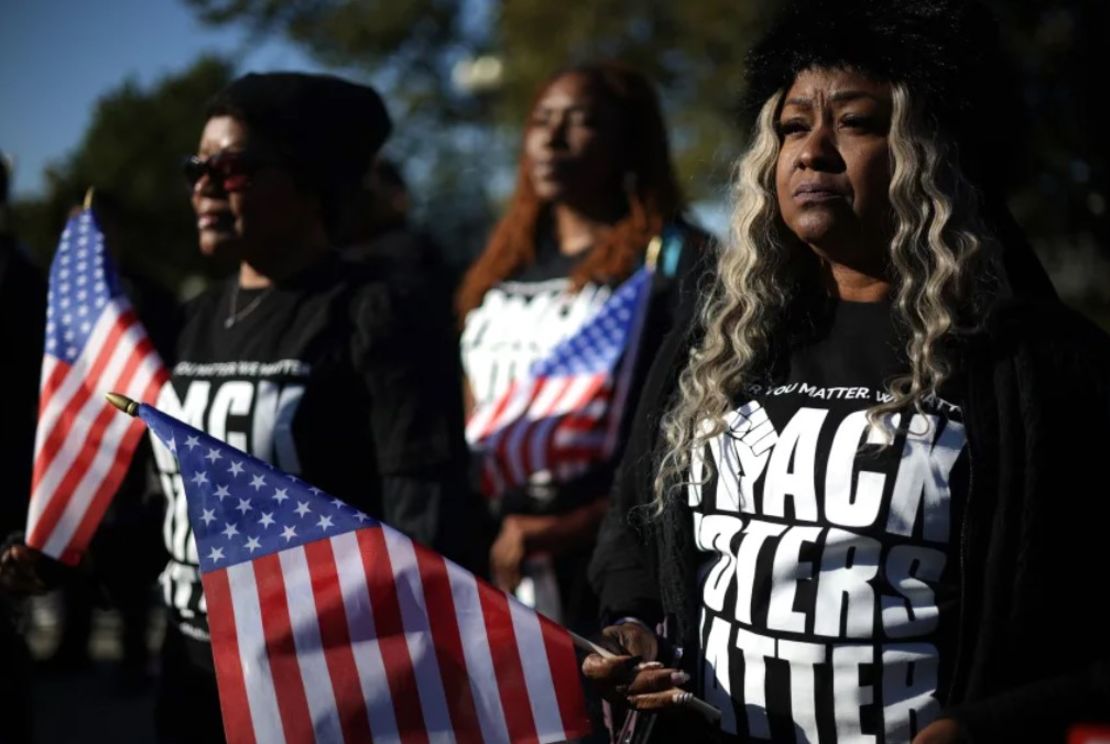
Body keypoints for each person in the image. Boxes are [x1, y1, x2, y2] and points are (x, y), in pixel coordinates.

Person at [584, 1, 1110, 742]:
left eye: (857, 123)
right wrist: (633, 628)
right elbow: (634, 532)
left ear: (937, 152)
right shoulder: (717, 341)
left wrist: (990, 723)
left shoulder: (1039, 365)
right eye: (794, 126)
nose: (813, 152)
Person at [2, 72, 475, 743]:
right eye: (196, 166)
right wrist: (71, 557)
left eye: (231, 167)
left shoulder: (380, 310)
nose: (202, 185)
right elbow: (174, 510)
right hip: (192, 684)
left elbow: (424, 513)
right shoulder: (193, 320)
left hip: (324, 692)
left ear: (310, 183)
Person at [456, 62, 710, 632]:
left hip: (607, 566)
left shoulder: (674, 261)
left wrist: (574, 523)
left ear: (627, 143)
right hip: (499, 555)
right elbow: (477, 411)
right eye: (542, 119)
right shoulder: (500, 266)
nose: (552, 137)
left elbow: (683, 431)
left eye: (582, 122)